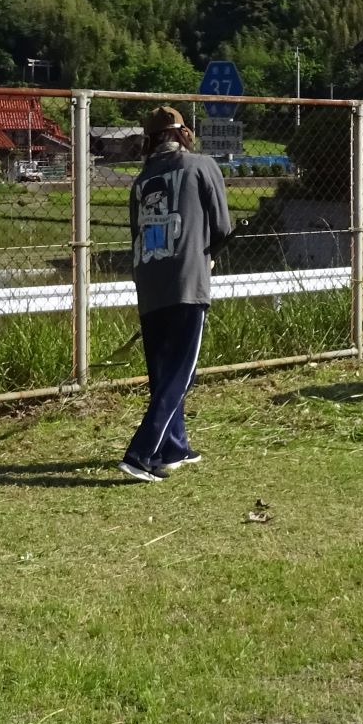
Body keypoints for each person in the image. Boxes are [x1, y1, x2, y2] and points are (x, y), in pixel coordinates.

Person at [120, 105, 234, 481]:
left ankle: (174, 447)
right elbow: (222, 226)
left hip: (148, 281)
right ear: (183, 134)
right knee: (181, 373)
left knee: (162, 372)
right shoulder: (202, 166)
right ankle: (141, 453)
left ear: (150, 140)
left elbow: (136, 234)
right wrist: (209, 256)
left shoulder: (140, 181)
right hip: (187, 280)